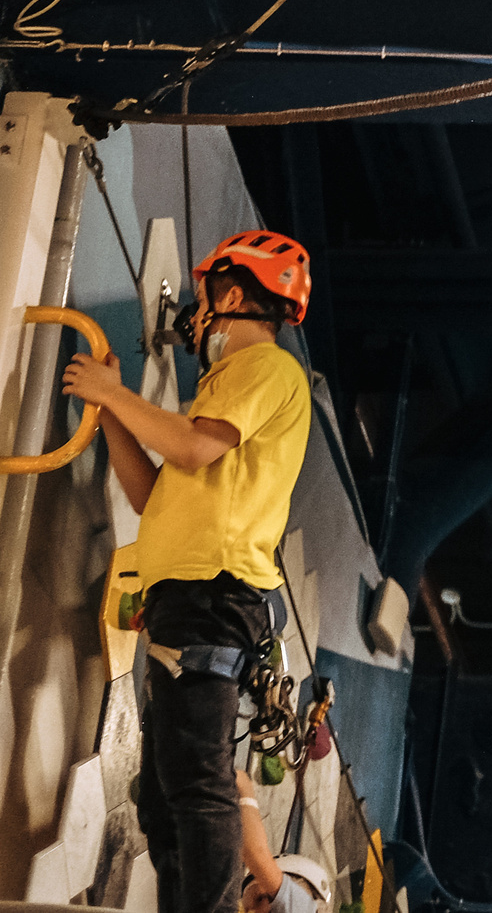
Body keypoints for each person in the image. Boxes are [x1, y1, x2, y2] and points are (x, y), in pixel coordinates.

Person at [61, 231, 315, 913]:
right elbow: (152, 495)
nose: (195, 318)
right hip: (192, 598)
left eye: (203, 301)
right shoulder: (223, 392)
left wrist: (117, 392)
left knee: (197, 783)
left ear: (230, 294)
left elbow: (193, 447)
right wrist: (110, 408)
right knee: (164, 795)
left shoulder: (263, 367)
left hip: (215, 594)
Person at [233, 768, 330, 913]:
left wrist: (245, 790)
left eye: (261, 898)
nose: (251, 912)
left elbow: (254, 852)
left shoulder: (303, 910)